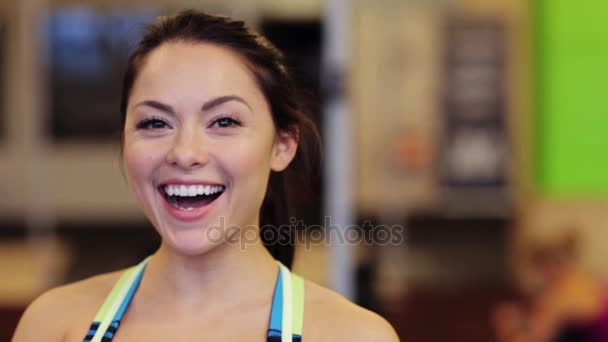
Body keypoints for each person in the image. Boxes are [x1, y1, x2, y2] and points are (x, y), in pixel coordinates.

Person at [12, 9, 399, 342]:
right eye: (155, 122)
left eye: (224, 121)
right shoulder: (53, 324)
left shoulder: (352, 335)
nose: (185, 152)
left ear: (282, 146)